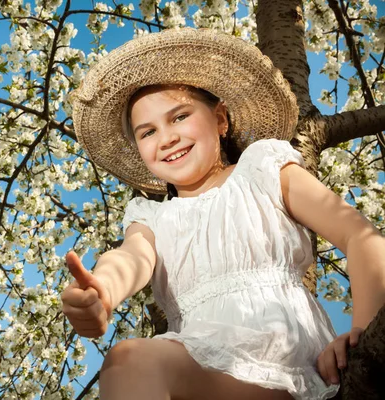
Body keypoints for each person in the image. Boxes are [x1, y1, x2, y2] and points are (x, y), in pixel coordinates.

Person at [60, 28, 385, 400]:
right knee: (129, 361)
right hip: (202, 370)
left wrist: (362, 334)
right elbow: (131, 256)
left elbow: (360, 236)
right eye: (147, 132)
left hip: (284, 364)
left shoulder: (262, 170)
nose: (166, 137)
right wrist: (103, 289)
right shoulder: (151, 217)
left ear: (220, 119)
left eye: (179, 116)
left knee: (130, 360)